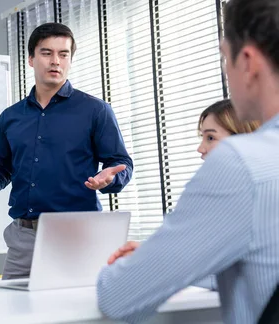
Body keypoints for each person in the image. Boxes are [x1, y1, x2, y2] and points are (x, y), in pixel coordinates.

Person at [96, 0, 279, 323]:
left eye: (225, 57)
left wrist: (149, 264)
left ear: (247, 62)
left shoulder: (242, 164)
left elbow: (118, 296)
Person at [0, 22, 133, 279]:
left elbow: (121, 162)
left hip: (77, 236)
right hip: (24, 237)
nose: (55, 61)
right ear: (31, 59)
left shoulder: (95, 110)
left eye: (63, 54)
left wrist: (111, 178)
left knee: (77, 315)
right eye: (47, 53)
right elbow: (2, 168)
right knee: (15, 314)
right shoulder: (11, 117)